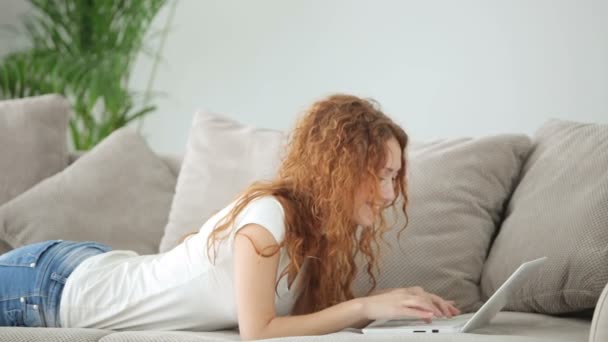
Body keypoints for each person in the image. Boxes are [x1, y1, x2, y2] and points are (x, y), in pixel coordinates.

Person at [0, 94, 459, 339]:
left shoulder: (316, 238)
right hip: (53, 288)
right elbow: (258, 332)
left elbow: (307, 321)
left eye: (393, 178)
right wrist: (363, 305)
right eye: (378, 176)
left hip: (97, 267)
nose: (386, 194)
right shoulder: (268, 217)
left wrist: (401, 311)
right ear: (338, 170)